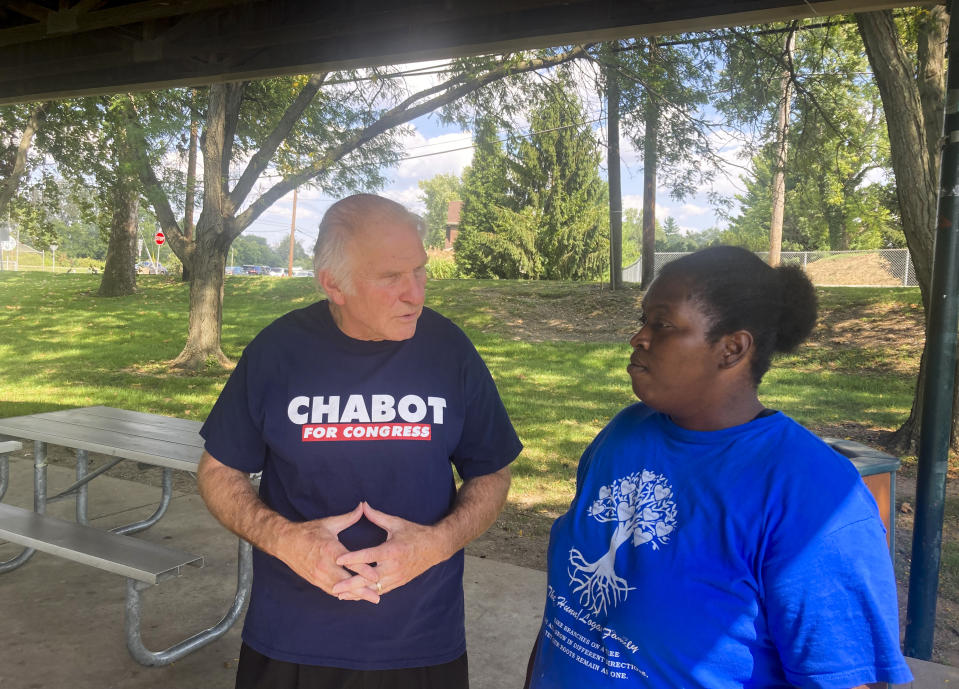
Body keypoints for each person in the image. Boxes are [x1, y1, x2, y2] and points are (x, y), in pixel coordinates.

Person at [525, 245, 912, 689]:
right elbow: (568, 613)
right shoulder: (624, 434)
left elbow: (852, 679)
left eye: (663, 324)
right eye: (643, 320)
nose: (639, 337)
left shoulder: (813, 496)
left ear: (732, 348)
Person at [198, 194, 522, 689]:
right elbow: (219, 471)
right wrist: (286, 541)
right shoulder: (278, 352)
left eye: (420, 271)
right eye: (391, 278)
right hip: (293, 633)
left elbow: (492, 470)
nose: (415, 294)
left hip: (420, 638)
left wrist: (436, 545)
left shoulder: (448, 350)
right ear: (334, 284)